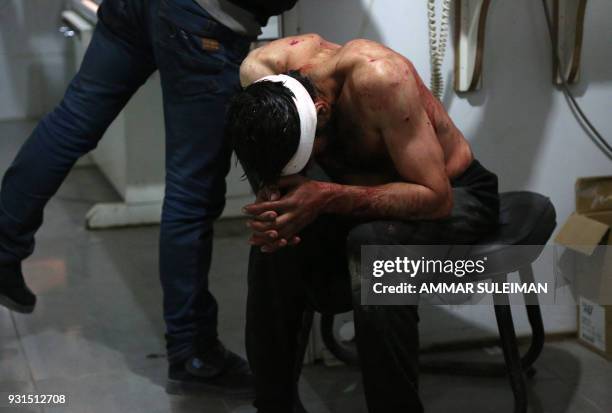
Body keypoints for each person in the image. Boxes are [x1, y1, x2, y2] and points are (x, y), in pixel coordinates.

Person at [0, 0, 297, 396]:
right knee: (193, 189)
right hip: (203, 16)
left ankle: (4, 247)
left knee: (72, 121)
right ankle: (193, 350)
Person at [225, 34, 500, 412]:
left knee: (374, 246)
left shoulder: (380, 78)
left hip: (455, 194)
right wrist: (274, 202)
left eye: (305, 159)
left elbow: (436, 198)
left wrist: (326, 195)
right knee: (276, 241)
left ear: (321, 111)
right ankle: (274, 405)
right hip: (354, 194)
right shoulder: (260, 72)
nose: (304, 169)